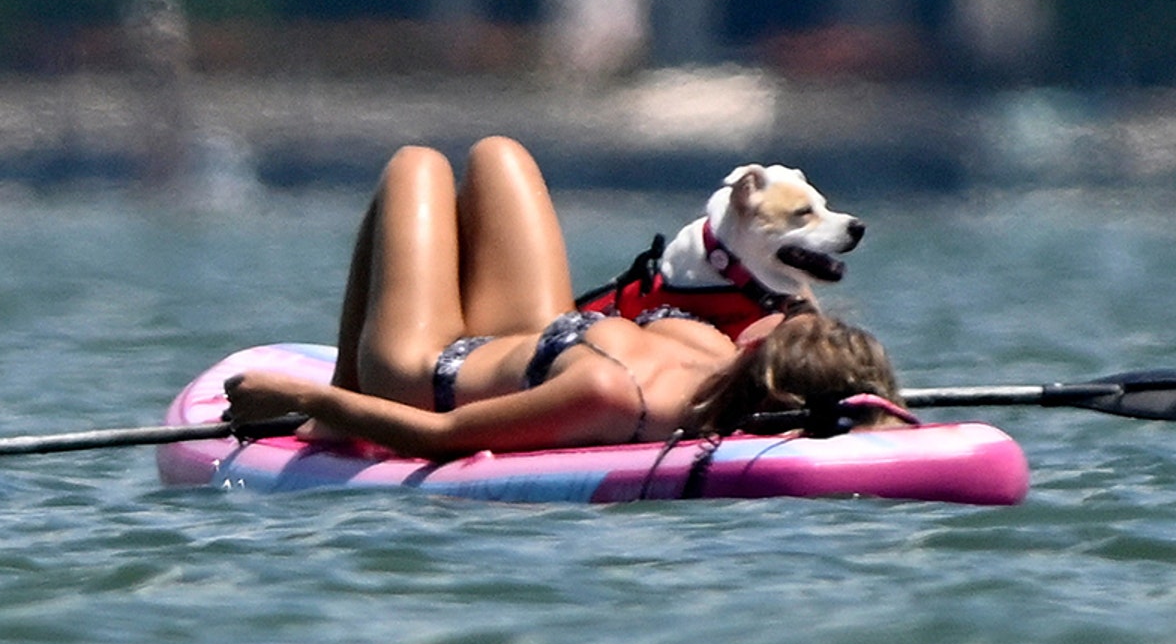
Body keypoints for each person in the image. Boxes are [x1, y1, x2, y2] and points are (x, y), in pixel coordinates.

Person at [224, 136, 907, 458]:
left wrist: (304, 396)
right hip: (541, 338)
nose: (777, 323)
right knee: (500, 154)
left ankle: (347, 389)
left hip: (424, 376)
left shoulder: (616, 399)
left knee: (417, 167)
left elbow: (435, 438)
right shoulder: (739, 342)